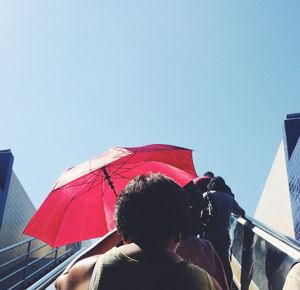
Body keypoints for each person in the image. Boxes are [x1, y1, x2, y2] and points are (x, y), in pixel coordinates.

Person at [55, 173, 221, 290]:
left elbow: (61, 281)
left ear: (123, 229)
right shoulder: (206, 283)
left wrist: (115, 233)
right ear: (180, 231)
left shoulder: (93, 270)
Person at [202, 176, 245, 288]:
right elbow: (241, 212)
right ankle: (227, 285)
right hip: (224, 235)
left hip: (208, 234)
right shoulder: (228, 198)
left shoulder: (207, 195)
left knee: (208, 260)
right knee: (224, 261)